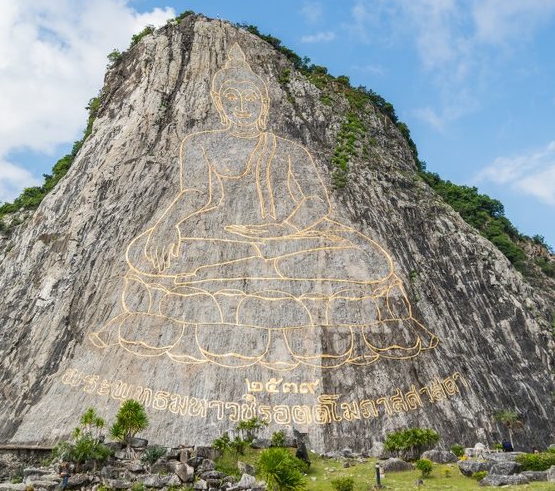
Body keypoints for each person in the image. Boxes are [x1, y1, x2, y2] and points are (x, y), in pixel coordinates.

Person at [91, 44, 438, 370]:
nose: (243, 106)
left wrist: (285, 229)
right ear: (218, 101)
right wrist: (168, 227)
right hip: (223, 238)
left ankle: (257, 284)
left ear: (264, 101)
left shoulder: (288, 149)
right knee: (153, 252)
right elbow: (194, 193)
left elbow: (317, 201)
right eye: (233, 98)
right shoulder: (201, 144)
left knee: (363, 257)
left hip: (291, 240)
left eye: (251, 98)